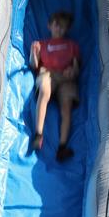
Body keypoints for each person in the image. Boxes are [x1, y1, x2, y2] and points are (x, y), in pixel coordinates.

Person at [29, 11, 81, 161]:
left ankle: (62, 147)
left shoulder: (72, 46)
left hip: (65, 78)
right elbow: (34, 65)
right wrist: (33, 53)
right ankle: (38, 134)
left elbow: (76, 67)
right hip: (48, 74)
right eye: (57, 25)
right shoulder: (42, 44)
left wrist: (73, 71)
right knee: (44, 90)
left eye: (63, 27)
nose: (60, 29)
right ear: (50, 26)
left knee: (67, 106)